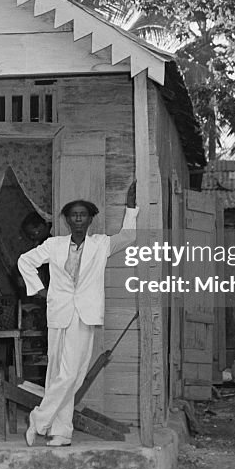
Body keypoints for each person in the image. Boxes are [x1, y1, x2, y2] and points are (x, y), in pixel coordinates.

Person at [17, 181, 138, 447]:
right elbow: (24, 261)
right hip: (59, 313)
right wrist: (39, 290)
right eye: (74, 215)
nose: (78, 219)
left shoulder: (101, 245)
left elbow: (129, 237)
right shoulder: (54, 244)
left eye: (83, 215)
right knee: (57, 372)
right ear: (67, 220)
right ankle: (61, 431)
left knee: (72, 373)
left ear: (91, 219)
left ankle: (39, 419)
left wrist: (131, 207)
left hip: (85, 316)